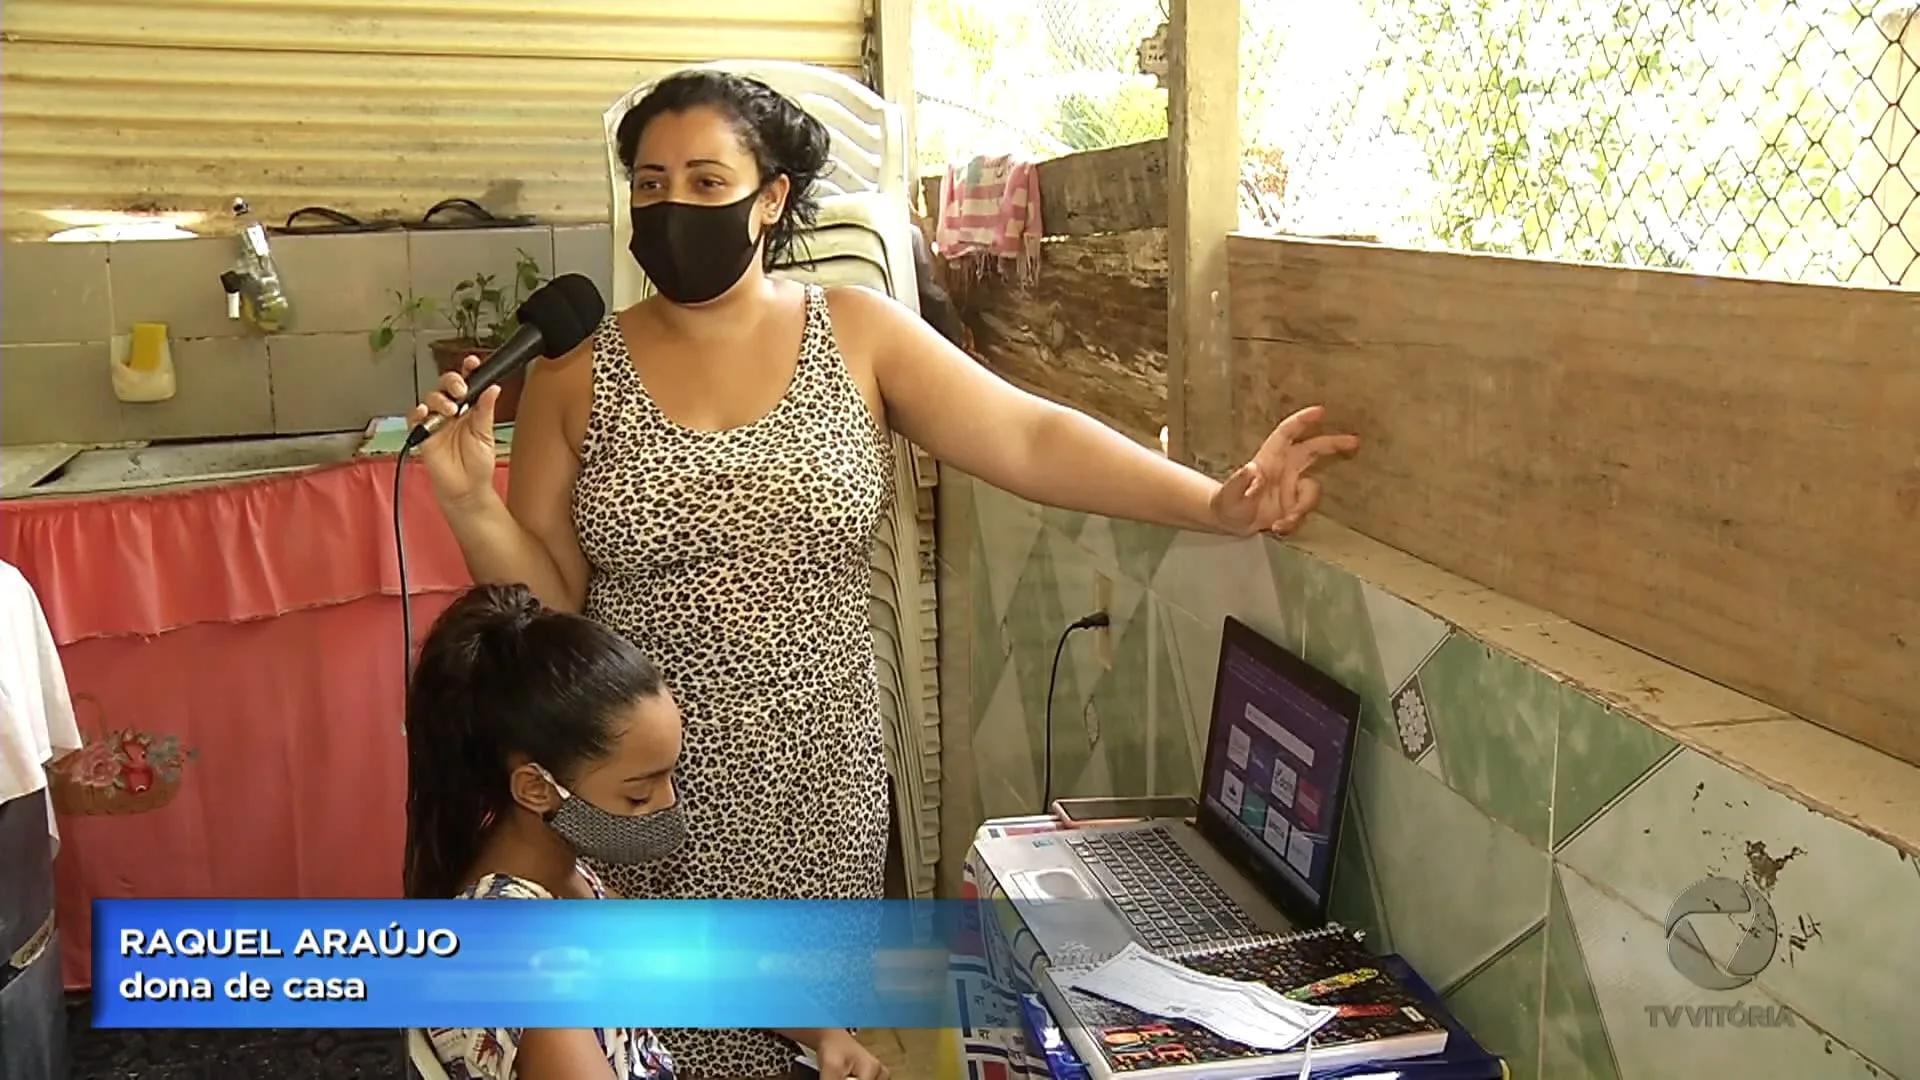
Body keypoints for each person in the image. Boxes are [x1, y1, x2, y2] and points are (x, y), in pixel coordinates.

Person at [407, 69, 1357, 1078]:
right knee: (652, 1043)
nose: (671, 206)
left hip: (821, 772)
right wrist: (470, 501)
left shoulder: (856, 332)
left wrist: (1214, 500)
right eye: (649, 184)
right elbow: (552, 609)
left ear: (770, 197)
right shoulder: (572, 372)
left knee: (814, 1041)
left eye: (702, 178)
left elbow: (1030, 437)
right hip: (641, 784)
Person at [402, 584, 888, 1080]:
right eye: (638, 793)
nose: (668, 804)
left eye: (670, 776)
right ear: (536, 788)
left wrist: (825, 1032)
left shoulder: (560, 880)